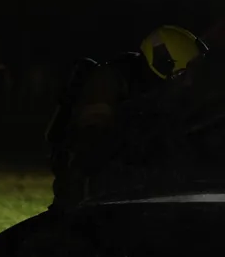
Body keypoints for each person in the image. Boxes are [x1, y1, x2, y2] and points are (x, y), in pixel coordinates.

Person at [46, 25, 206, 207]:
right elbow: (89, 143)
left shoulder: (161, 92)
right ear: (163, 63)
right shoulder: (108, 81)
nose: (190, 82)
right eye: (183, 74)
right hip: (93, 192)